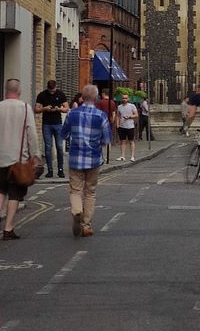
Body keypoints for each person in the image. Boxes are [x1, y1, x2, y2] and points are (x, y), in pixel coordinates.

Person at [0, 78, 41, 238]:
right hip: (18, 160)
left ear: (5, 91)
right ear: (19, 91)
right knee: (15, 193)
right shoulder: (25, 108)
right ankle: (8, 228)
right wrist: (35, 155)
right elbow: (32, 135)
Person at [61, 85, 111, 236]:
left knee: (76, 190)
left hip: (75, 158)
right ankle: (86, 225)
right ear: (96, 98)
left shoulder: (72, 114)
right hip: (94, 159)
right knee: (90, 192)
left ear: (82, 97)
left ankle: (77, 211)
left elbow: (63, 134)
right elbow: (107, 139)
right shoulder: (101, 116)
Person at [35, 77, 68, 179]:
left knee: (59, 147)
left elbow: (66, 108)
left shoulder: (61, 94)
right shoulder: (42, 95)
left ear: (56, 87)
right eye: (50, 91)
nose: (52, 93)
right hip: (46, 124)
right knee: (48, 148)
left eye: (53, 91)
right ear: (47, 88)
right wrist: (45, 108)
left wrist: (58, 109)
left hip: (58, 123)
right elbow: (36, 109)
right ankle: (50, 170)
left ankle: (60, 170)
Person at [115, 91, 139, 162]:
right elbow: (118, 115)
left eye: (125, 98)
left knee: (131, 141)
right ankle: (122, 156)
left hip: (130, 126)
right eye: (123, 98)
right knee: (122, 141)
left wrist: (130, 117)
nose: (124, 99)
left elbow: (136, 114)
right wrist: (117, 124)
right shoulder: (119, 107)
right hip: (122, 126)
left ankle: (132, 156)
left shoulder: (132, 106)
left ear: (128, 99)